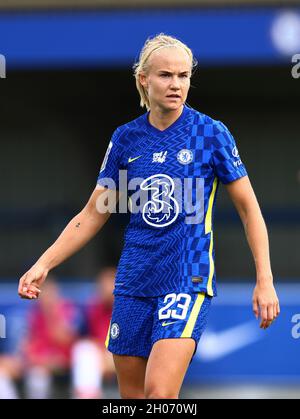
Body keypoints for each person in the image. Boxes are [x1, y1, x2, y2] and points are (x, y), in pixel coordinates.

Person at [18, 33, 280, 399]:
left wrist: (264, 279)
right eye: (166, 75)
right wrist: (43, 264)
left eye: (184, 75)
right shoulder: (126, 139)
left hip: (186, 279)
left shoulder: (210, 134)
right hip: (133, 282)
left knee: (159, 394)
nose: (176, 84)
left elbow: (249, 209)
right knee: (133, 397)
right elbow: (93, 213)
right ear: (144, 79)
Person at [21, 277, 79, 398]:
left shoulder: (67, 309)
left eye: (51, 293)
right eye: (44, 293)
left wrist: (53, 314)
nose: (48, 297)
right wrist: (45, 362)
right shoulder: (34, 315)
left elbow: (66, 339)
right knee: (37, 377)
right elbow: (27, 349)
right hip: (44, 364)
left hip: (68, 363)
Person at [71, 267, 116, 399]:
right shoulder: (91, 309)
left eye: (110, 285)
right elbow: (81, 339)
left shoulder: (129, 309)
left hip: (124, 355)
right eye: (103, 286)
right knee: (84, 350)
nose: (107, 290)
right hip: (98, 355)